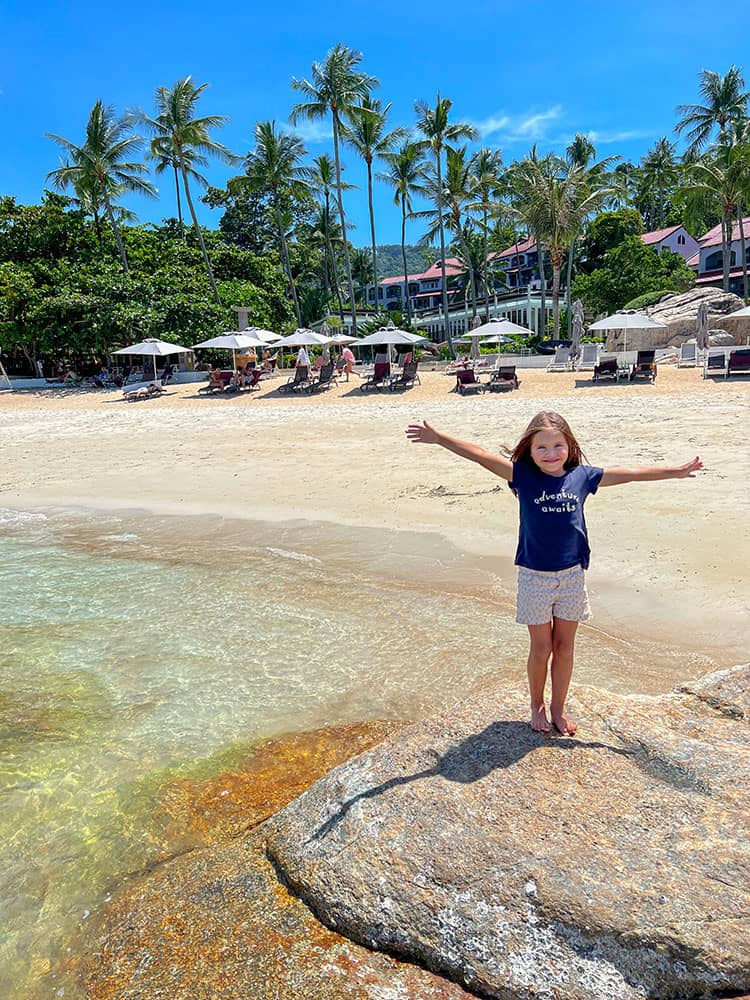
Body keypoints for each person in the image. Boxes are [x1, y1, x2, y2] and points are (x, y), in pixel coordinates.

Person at [405, 411, 702, 737]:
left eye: (557, 445)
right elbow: (480, 456)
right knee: (542, 648)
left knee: (564, 648)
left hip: (572, 577)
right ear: (529, 451)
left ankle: (558, 708)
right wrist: (440, 438)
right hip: (534, 577)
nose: (550, 453)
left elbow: (630, 473)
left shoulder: (582, 477)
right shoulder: (523, 476)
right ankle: (537, 705)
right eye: (541, 448)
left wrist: (675, 471)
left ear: (569, 445)